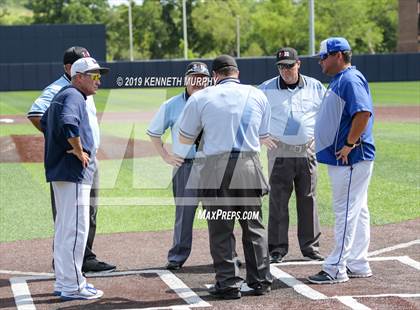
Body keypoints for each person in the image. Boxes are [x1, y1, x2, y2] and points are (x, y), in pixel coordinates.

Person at [178, 55, 273, 300]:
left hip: (215, 166)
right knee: (253, 226)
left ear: (215, 75)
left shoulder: (201, 97)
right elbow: (263, 134)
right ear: (237, 73)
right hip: (250, 165)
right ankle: (261, 280)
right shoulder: (258, 95)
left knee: (221, 228)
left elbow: (185, 138)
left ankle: (229, 283)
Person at [27, 46, 116, 274]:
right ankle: (65, 265)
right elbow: (35, 113)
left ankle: (84, 257)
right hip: (73, 161)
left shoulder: (84, 87)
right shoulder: (61, 89)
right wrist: (66, 142)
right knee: (69, 216)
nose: (96, 77)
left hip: (89, 158)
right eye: (89, 70)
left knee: (89, 212)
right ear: (69, 68)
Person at [308, 37, 375, 284]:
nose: (320, 61)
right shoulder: (341, 79)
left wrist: (348, 144)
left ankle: (336, 268)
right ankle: (358, 262)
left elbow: (363, 113)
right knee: (358, 210)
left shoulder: (349, 79)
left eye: (323, 57)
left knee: (346, 210)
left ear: (338, 56)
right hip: (348, 158)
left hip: (351, 158)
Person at [41, 57, 109, 300]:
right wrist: (79, 150)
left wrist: (60, 147)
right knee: (76, 230)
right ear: (79, 76)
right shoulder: (73, 96)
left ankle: (65, 280)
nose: (98, 80)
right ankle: (72, 286)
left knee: (64, 230)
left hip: (63, 171)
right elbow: (68, 121)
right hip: (73, 172)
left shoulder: (64, 94)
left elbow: (45, 122)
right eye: (94, 75)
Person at [259, 47, 326, 263]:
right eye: (281, 66)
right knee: (278, 200)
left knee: (308, 199)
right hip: (280, 151)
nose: (285, 70)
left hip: (307, 151)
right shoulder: (266, 88)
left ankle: (310, 248)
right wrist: (261, 137)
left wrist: (319, 137)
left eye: (289, 66)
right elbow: (250, 112)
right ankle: (277, 249)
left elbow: (327, 114)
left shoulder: (315, 86)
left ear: (298, 64)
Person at [147, 62, 210, 270]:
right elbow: (154, 133)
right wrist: (166, 156)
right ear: (186, 80)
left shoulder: (217, 102)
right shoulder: (172, 105)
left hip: (213, 165)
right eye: (194, 77)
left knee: (219, 213)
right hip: (186, 166)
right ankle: (177, 257)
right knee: (184, 214)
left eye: (202, 78)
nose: (198, 82)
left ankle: (226, 255)